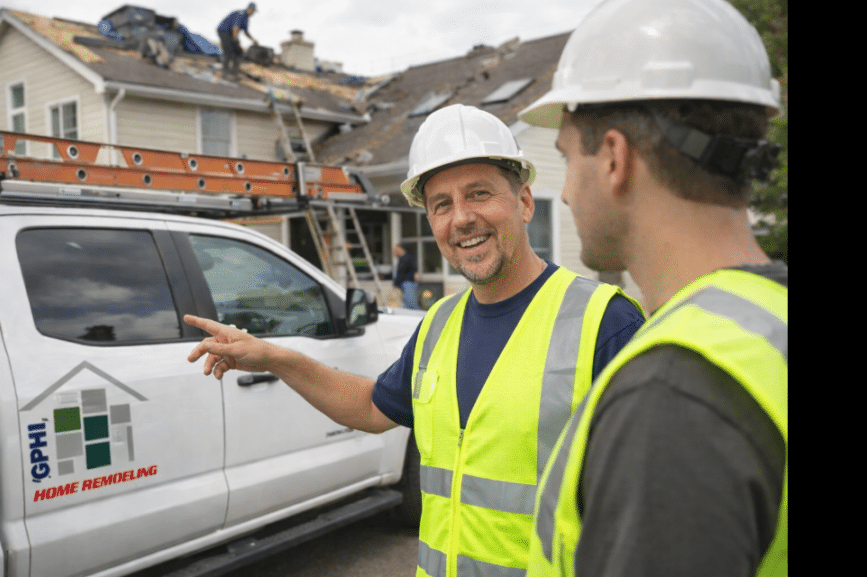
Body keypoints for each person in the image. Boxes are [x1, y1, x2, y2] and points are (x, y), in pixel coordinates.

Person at [185, 103, 645, 577]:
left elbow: (650, 513)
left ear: (525, 203)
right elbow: (370, 408)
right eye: (441, 204)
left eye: (479, 194)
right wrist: (277, 358)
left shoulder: (604, 324)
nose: (461, 218)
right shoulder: (439, 324)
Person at [515, 0, 787, 575]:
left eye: (567, 158)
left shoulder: (671, 398)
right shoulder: (771, 318)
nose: (563, 195)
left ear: (615, 157)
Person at [216, 3, 258, 79]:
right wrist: (236, 40)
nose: (253, 13)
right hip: (224, 31)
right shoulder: (240, 14)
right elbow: (235, 28)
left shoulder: (246, 19)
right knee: (229, 52)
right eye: (252, 11)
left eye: (254, 11)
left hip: (231, 33)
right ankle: (225, 74)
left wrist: (253, 40)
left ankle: (233, 73)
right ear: (248, 9)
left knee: (239, 53)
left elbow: (246, 32)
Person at [392, 243, 419, 309]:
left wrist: (396, 283)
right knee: (406, 304)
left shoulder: (407, 258)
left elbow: (402, 273)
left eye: (396, 250)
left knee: (411, 304)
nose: (394, 252)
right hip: (405, 284)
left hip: (408, 284)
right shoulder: (403, 259)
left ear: (401, 249)